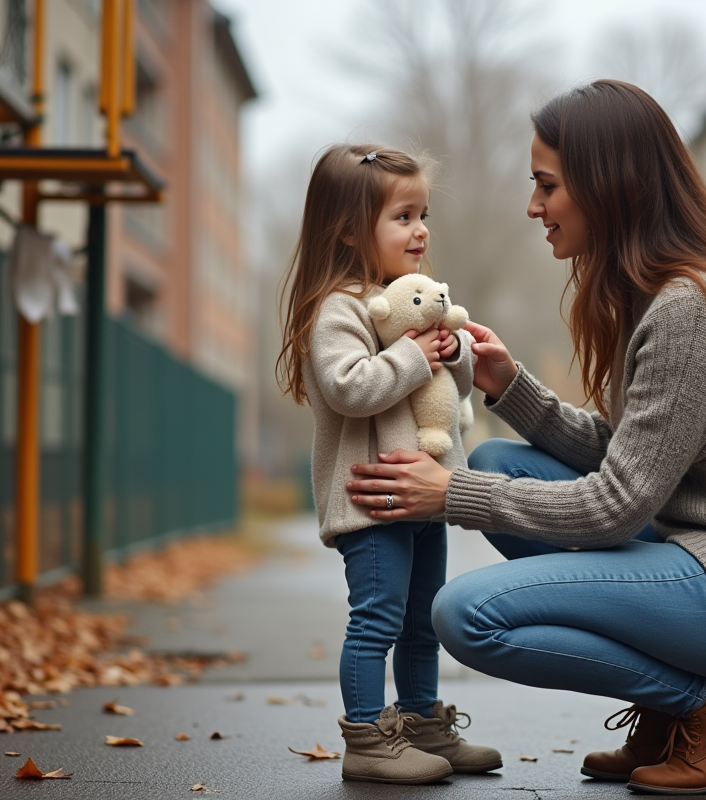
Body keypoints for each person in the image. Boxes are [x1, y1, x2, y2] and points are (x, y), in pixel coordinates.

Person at [343, 80, 706, 796]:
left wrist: (450, 494)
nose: (533, 206)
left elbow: (616, 505)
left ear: (608, 182)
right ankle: (668, 712)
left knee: (466, 615)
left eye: (546, 185)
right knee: (497, 459)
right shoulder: (658, 291)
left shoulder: (694, 306)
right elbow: (632, 455)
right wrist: (509, 387)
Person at [276, 143, 502, 784]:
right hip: (372, 501)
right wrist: (414, 353)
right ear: (348, 229)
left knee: (422, 618)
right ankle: (368, 738)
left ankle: (425, 724)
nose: (421, 229)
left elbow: (448, 392)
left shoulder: (409, 298)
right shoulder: (338, 309)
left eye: (422, 214)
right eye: (402, 216)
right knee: (376, 618)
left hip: (423, 493)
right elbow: (350, 387)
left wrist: (453, 350)